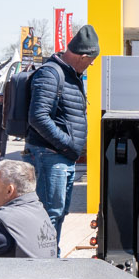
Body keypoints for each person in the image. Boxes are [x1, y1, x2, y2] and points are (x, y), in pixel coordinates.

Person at [24, 24, 99, 238]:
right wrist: (66, 144)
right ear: (82, 56)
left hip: (61, 156)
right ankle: (45, 257)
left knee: (58, 213)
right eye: (91, 59)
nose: (92, 63)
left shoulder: (69, 75)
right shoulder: (51, 74)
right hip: (51, 155)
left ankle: (51, 254)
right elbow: (38, 117)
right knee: (49, 214)